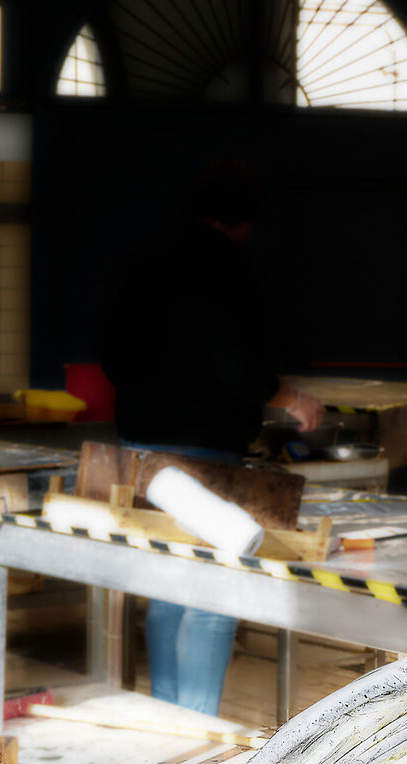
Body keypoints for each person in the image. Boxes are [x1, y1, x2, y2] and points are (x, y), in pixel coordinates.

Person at [99, 160, 322, 717]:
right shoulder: (227, 270)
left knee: (169, 586)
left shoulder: (146, 260)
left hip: (144, 452)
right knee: (213, 597)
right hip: (205, 453)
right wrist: (292, 399)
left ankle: (166, 721)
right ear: (243, 223)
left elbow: (112, 355)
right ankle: (197, 733)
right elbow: (234, 366)